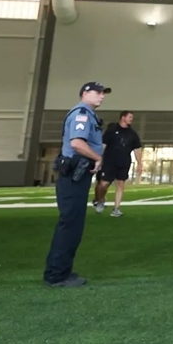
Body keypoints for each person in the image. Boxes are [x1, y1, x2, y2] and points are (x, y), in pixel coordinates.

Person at [44, 82, 108, 288]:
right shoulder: (81, 114)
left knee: (73, 224)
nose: (102, 96)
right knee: (70, 224)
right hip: (73, 174)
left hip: (76, 175)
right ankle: (57, 275)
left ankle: (61, 270)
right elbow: (77, 143)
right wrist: (97, 157)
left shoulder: (87, 114)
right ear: (85, 93)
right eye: (98, 92)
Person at [93, 111, 142, 217]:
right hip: (109, 162)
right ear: (123, 117)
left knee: (120, 185)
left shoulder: (132, 134)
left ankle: (116, 209)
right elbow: (103, 145)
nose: (131, 119)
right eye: (130, 117)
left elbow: (137, 149)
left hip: (124, 163)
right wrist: (99, 159)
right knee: (103, 185)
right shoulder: (111, 131)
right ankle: (100, 201)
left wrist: (140, 163)